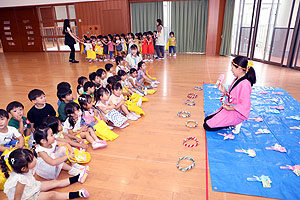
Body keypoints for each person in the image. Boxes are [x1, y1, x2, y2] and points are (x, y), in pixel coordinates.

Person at [3, 148, 89, 200]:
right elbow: (17, 199)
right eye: (32, 159)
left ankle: (78, 178)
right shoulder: (21, 179)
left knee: (54, 182)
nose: (35, 159)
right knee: (51, 195)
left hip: (31, 186)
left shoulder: (23, 168)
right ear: (24, 168)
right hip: (27, 197)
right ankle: (78, 194)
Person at [203, 56, 256, 134]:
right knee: (207, 119)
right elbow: (233, 96)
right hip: (231, 107)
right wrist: (224, 91)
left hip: (237, 113)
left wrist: (229, 109)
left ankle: (234, 123)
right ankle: (227, 122)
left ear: (239, 69)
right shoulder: (237, 78)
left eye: (232, 68)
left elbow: (244, 106)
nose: (231, 70)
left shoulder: (245, 84)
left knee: (207, 125)